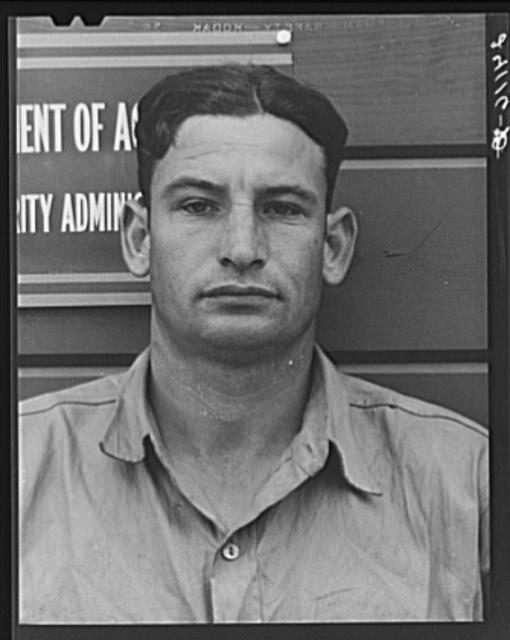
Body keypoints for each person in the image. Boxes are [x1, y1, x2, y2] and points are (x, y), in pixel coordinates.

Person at [19, 64, 489, 624]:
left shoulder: (466, 486)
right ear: (140, 239)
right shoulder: (23, 470)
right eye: (199, 205)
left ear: (333, 247)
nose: (242, 248)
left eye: (282, 208)